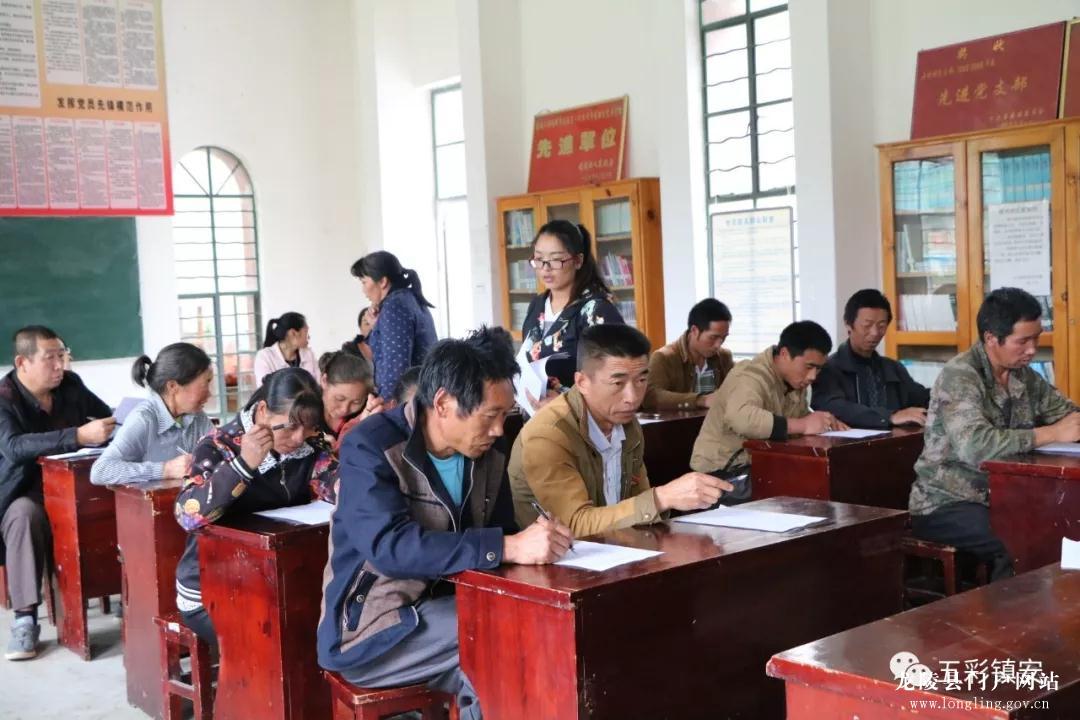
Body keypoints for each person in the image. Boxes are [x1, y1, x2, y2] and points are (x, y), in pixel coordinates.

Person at [317, 326, 573, 720]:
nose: (499, 430)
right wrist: (507, 546)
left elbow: (502, 532)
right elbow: (390, 548)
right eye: (490, 416)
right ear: (442, 403)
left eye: (505, 415)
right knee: (503, 638)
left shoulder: (488, 450)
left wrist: (539, 542)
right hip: (373, 627)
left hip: (452, 613)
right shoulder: (371, 445)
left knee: (523, 651)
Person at [909, 288, 1080, 582]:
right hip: (948, 502)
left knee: (1063, 524)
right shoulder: (960, 375)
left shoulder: (1025, 375)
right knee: (1019, 541)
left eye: (1036, 338)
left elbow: (1067, 415)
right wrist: (1051, 433)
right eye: (1022, 341)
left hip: (1007, 495)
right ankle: (1009, 611)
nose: (1032, 350)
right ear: (991, 338)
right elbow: (975, 446)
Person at [510, 324, 733, 537]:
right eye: (618, 383)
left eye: (641, 380)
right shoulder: (548, 434)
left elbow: (639, 508)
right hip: (559, 558)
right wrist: (662, 498)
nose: (632, 397)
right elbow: (575, 525)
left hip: (617, 548)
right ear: (582, 382)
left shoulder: (627, 425)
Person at [173, 368, 338, 644]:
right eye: (290, 426)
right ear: (262, 411)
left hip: (278, 580)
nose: (299, 438)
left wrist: (346, 485)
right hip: (214, 587)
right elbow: (188, 517)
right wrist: (243, 465)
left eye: (308, 427)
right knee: (279, 639)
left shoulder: (308, 444)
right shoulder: (218, 446)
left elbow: (331, 478)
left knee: (331, 624)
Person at [0, 326, 114, 660]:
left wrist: (113, 427)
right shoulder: (4, 398)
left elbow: (106, 415)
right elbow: (14, 447)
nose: (59, 366)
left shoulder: (71, 385)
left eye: (62, 356)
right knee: (24, 516)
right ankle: (25, 619)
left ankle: (121, 589)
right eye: (50, 358)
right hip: (24, 491)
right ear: (22, 362)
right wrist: (77, 436)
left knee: (116, 499)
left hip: (72, 486)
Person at [690, 321, 846, 503]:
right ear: (784, 354)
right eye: (808, 366)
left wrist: (824, 423)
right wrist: (803, 425)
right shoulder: (750, 375)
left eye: (818, 369)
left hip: (759, 466)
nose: (813, 376)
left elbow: (799, 423)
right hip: (722, 475)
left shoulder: (794, 381)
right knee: (802, 490)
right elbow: (742, 418)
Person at [520, 220, 624, 400]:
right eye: (539, 259)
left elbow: (615, 375)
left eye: (556, 260)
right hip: (536, 413)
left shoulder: (597, 310)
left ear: (578, 261)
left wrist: (564, 402)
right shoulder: (536, 305)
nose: (545, 268)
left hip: (578, 413)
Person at [90, 344, 215, 486]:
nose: (210, 393)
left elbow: (219, 451)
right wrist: (165, 470)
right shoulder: (144, 419)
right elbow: (100, 471)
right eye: (206, 383)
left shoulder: (197, 416)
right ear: (173, 386)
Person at [811, 289, 931, 429]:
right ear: (848, 324)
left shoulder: (893, 368)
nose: (875, 333)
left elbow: (922, 398)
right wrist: (890, 416)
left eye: (881, 326)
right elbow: (833, 407)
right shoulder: (828, 368)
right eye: (867, 325)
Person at [351, 251, 438, 399]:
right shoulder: (409, 298)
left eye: (364, 282)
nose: (363, 290)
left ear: (382, 282)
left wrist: (385, 405)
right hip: (424, 394)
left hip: (408, 401)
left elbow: (396, 371)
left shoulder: (394, 306)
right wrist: (378, 326)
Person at [642, 298, 734, 411]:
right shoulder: (664, 357)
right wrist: (701, 400)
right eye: (713, 337)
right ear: (694, 330)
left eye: (723, 338)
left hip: (715, 421)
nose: (718, 345)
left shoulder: (724, 357)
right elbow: (651, 397)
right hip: (679, 422)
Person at [319, 350, 383, 449]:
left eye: (356, 402)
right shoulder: (306, 409)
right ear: (324, 381)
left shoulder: (370, 409)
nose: (345, 409)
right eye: (339, 399)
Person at [253, 312, 318, 385]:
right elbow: (265, 388)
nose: (308, 337)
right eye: (306, 332)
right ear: (293, 333)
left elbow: (318, 384)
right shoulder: (264, 357)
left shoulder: (308, 353)